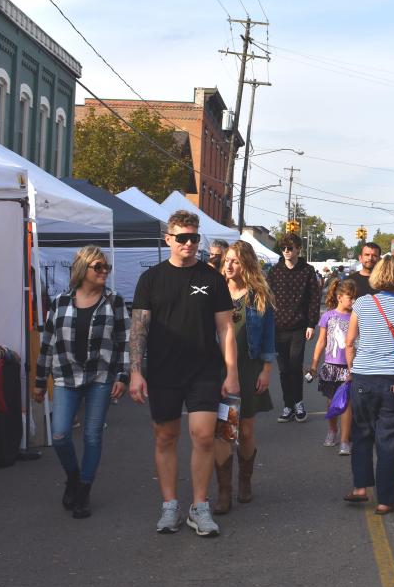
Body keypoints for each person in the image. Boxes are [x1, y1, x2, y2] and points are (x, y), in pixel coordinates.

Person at [128, 210, 239, 537]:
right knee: (165, 437)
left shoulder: (212, 278)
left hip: (204, 370)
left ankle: (200, 506)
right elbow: (139, 329)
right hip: (163, 371)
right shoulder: (151, 279)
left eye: (194, 237)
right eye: (182, 238)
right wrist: (135, 371)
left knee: (204, 436)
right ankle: (170, 506)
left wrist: (231, 372)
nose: (189, 243)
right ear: (169, 240)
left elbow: (226, 329)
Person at [34, 246, 129, 519]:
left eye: (106, 267)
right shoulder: (61, 302)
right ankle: (73, 478)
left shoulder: (114, 301)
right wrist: (40, 381)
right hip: (65, 375)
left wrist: (123, 376)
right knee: (61, 434)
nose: (104, 272)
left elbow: (124, 341)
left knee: (91, 435)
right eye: (98, 267)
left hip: (100, 376)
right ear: (82, 268)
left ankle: (84, 490)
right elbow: (48, 344)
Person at [344, 255, 394, 515]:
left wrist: (351, 370)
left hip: (364, 376)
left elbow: (350, 341)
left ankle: (360, 487)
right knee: (389, 439)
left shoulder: (362, 304)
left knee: (362, 432)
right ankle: (386, 499)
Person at [212, 240, 276, 515]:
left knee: (246, 431)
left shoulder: (258, 296)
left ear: (246, 264)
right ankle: (224, 492)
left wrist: (266, 370)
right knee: (226, 431)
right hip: (219, 370)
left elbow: (269, 337)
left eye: (235, 260)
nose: (229, 265)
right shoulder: (214, 292)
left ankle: (244, 481)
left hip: (249, 369)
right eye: (227, 259)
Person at [266, 232, 321, 423]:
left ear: (298, 249)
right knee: (283, 369)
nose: (287, 252)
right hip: (278, 327)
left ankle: (298, 403)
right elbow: (267, 298)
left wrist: (311, 324)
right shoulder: (274, 271)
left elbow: (315, 298)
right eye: (284, 248)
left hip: (299, 326)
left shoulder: (307, 271)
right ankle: (287, 405)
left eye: (290, 248)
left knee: (295, 365)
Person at [308, 278, 356, 455]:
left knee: (346, 403)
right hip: (330, 366)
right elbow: (321, 342)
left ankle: (344, 440)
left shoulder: (355, 317)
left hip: (349, 367)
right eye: (350, 297)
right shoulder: (328, 316)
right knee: (331, 402)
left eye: (355, 297)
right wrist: (314, 365)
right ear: (340, 297)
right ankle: (332, 430)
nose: (353, 301)